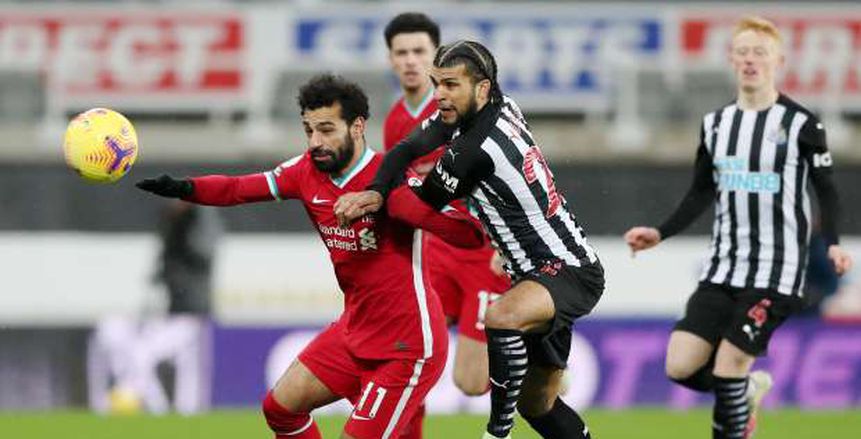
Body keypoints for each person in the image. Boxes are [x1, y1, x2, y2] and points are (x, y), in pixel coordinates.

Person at [136, 73, 487, 439]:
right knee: (281, 408)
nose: (316, 142)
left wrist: (406, 208)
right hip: (354, 333)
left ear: (357, 127)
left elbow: (464, 233)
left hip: (407, 347)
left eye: (326, 129)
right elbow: (239, 188)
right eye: (309, 131)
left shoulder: (391, 179)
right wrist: (184, 188)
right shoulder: (304, 172)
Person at [335, 40, 603, 439]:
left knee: (500, 317)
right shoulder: (498, 106)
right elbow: (409, 146)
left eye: (450, 85)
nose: (439, 94)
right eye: (437, 83)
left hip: (566, 269)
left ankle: (497, 432)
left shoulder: (473, 150)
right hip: (538, 273)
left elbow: (421, 203)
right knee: (539, 404)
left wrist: (382, 194)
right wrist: (378, 188)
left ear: (481, 89)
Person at [623, 17, 853, 439]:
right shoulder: (716, 125)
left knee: (730, 364)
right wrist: (661, 232)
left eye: (760, 52)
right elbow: (699, 192)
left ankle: (735, 405)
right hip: (723, 270)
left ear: (778, 62)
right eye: (743, 51)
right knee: (679, 364)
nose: (750, 60)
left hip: (776, 272)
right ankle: (744, 393)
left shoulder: (802, 125)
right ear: (731, 59)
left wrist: (833, 244)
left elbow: (828, 191)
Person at [383, 13, 511, 403]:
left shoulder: (462, 110)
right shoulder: (395, 122)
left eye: (418, 51)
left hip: (481, 252)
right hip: (435, 253)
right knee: (405, 350)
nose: (409, 60)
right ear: (390, 58)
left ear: (434, 57)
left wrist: (506, 245)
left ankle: (538, 359)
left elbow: (504, 173)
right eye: (400, 52)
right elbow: (401, 195)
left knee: (471, 382)